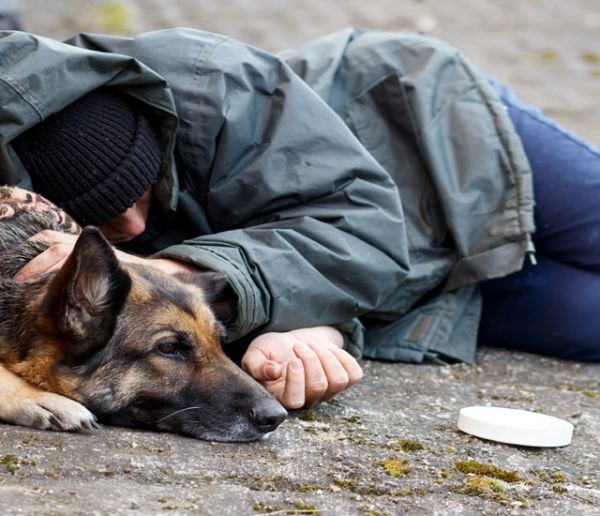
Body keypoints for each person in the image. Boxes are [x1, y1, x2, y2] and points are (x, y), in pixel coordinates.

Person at [1, 28, 598, 409]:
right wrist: (312, 333)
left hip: (430, 135)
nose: (128, 227)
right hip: (417, 284)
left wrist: (168, 272)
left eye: (141, 195)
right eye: (102, 222)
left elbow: (363, 220)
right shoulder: (22, 221)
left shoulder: (214, 81)